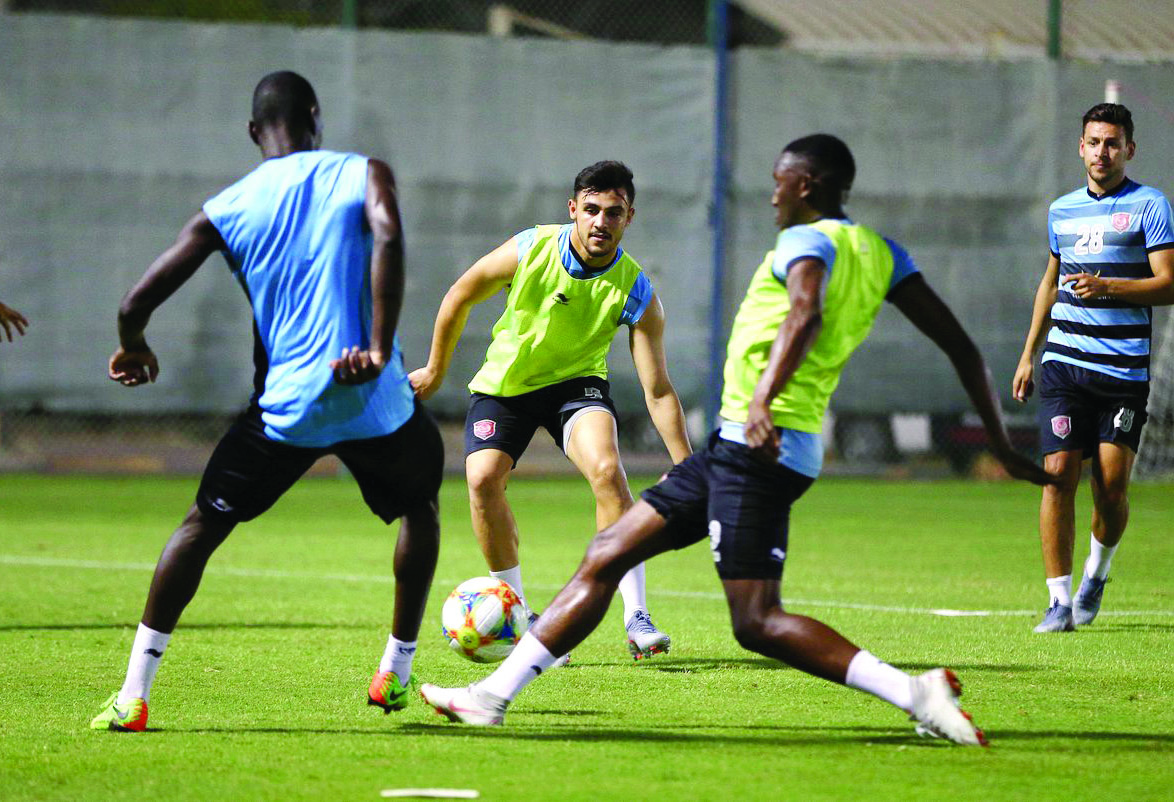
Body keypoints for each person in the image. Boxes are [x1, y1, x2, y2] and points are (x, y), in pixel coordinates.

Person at [420, 134, 1055, 745]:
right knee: (608, 553)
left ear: (808, 185)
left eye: (780, 182)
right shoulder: (884, 253)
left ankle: (917, 693)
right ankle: (491, 696)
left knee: (757, 621)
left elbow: (804, 310)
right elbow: (963, 348)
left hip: (758, 449)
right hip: (743, 450)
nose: (772, 195)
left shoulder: (805, 241)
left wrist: (760, 399)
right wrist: (999, 443)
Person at [90, 71, 444, 731]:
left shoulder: (226, 208)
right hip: (373, 397)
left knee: (200, 528)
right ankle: (395, 672)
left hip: (289, 407)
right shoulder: (363, 171)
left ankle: (133, 693)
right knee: (419, 508)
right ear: (316, 116)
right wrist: (375, 346)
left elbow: (134, 302)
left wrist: (133, 346)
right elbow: (390, 237)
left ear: (254, 131)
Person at [409, 161, 692, 661]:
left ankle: (637, 616)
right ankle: (520, 616)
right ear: (573, 209)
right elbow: (460, 294)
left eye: (614, 212)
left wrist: (688, 467)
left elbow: (659, 391)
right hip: (507, 385)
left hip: (576, 386)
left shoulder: (636, 291)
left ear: (629, 217)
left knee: (607, 470)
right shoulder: (531, 248)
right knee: (482, 480)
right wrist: (434, 370)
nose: (601, 221)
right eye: (591, 209)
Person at [1013, 103, 1174, 633]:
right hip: (1064, 363)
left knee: (1110, 490)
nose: (1102, 152)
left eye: (1112, 143)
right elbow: (1050, 281)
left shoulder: (1150, 205)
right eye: (1094, 142)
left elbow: (1169, 284)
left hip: (1123, 372)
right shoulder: (1062, 210)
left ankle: (1096, 575)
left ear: (1129, 149)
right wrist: (1029, 353)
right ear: (1080, 147)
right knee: (1058, 474)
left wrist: (1108, 286)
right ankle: (1058, 602)